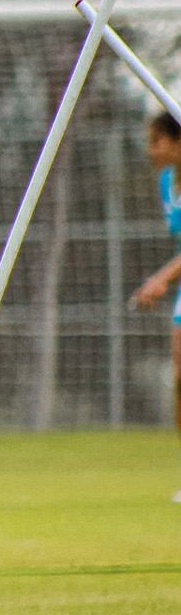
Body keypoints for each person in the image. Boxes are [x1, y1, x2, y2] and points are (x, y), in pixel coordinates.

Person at [130, 110, 181, 500]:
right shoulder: (167, 182)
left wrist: (161, 278)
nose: (150, 151)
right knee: (180, 371)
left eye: (157, 141)